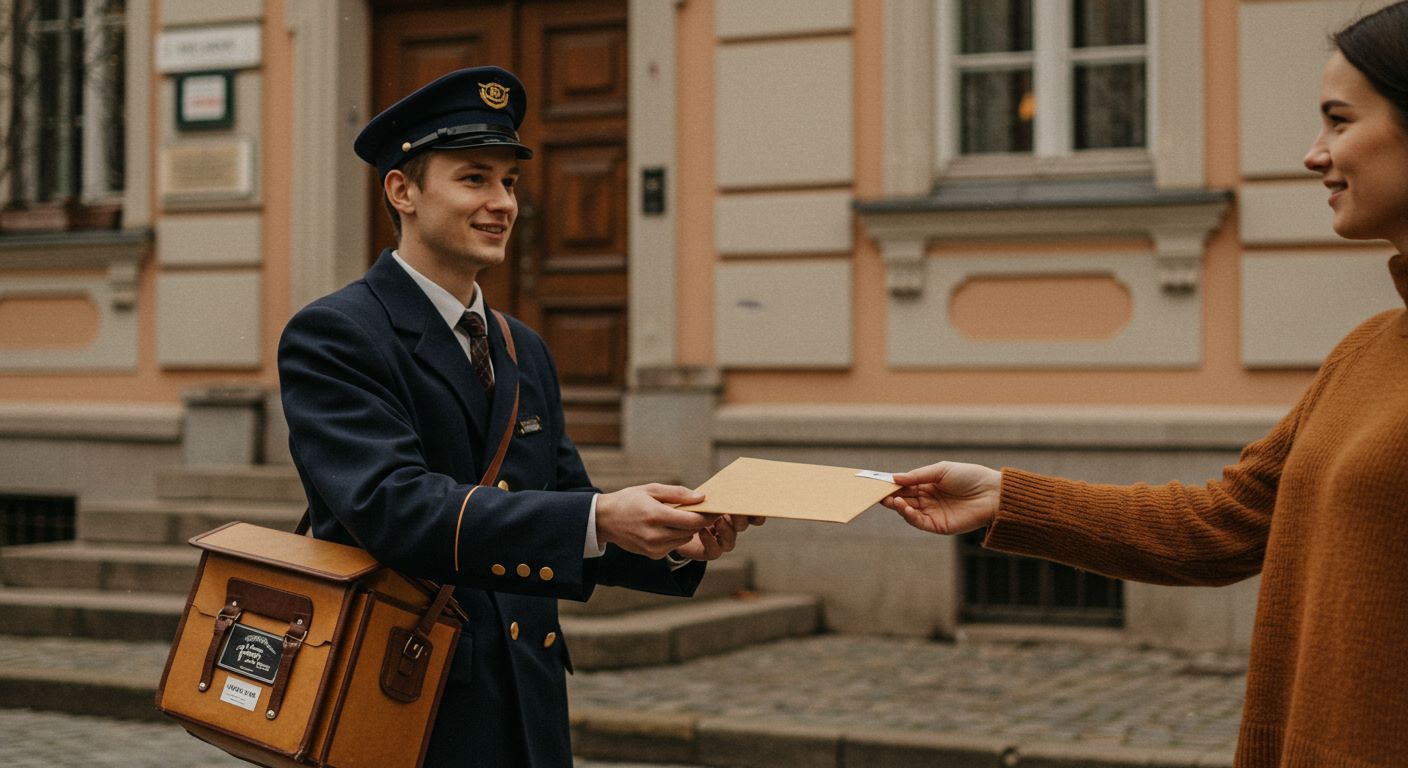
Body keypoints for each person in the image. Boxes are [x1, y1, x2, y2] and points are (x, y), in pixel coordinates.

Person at [882, 3, 1408, 766]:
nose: (1312, 154)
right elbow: (1221, 526)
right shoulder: (1365, 352)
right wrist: (1006, 498)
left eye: (1339, 121)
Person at [278, 66, 757, 767]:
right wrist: (598, 517)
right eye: (474, 179)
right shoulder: (338, 333)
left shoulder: (518, 345)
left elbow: (563, 500)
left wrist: (673, 538)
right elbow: (393, 506)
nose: (502, 203)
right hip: (406, 700)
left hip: (527, 708)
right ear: (402, 191)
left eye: (509, 182)